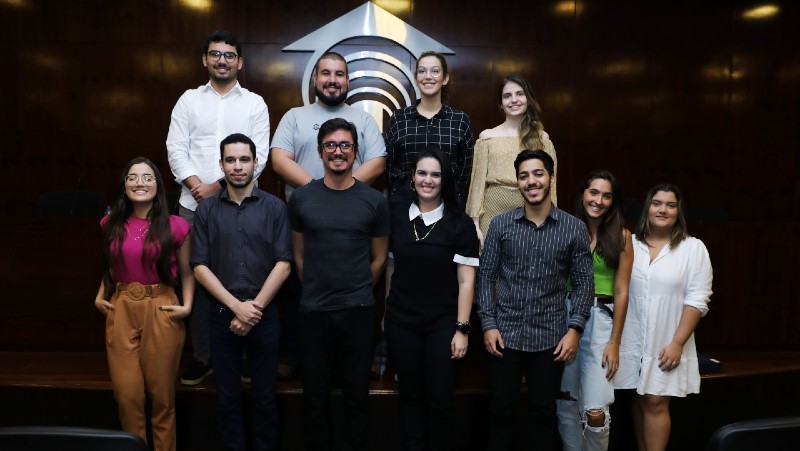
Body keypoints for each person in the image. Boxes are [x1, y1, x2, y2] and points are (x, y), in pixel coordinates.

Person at [271, 51, 386, 378]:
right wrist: (318, 193)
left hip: (353, 225)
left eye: (339, 74)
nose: (332, 80)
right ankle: (293, 356)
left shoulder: (363, 119)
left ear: (348, 81)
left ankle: (348, 363)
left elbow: (378, 161)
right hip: (304, 220)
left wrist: (343, 191)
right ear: (315, 79)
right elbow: (279, 160)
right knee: (298, 287)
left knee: (351, 296)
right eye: (326, 73)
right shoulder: (295, 116)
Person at [167, 29, 270, 386]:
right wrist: (197, 186)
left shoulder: (255, 103)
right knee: (195, 278)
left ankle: (240, 355)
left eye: (229, 55)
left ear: (240, 62)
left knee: (240, 275)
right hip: (192, 205)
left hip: (241, 203)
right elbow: (175, 148)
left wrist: (219, 186)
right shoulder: (188, 100)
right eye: (215, 54)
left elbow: (260, 157)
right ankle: (204, 356)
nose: (221, 60)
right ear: (205, 59)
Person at [475, 149, 594, 451]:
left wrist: (574, 330)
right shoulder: (501, 225)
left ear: (550, 178)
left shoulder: (573, 228)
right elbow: (486, 276)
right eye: (524, 176)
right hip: (505, 337)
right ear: (517, 183)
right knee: (500, 411)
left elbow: (583, 284)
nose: (531, 181)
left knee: (542, 414)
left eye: (538, 174)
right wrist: (488, 324)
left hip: (551, 340)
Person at [288, 118, 390, 451]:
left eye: (345, 145)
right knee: (314, 398)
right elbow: (299, 256)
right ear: (320, 152)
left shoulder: (374, 201)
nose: (338, 152)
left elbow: (378, 258)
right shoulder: (302, 199)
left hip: (358, 311)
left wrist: (357, 288)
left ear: (356, 152)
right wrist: (317, 288)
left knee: (357, 396)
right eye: (330, 145)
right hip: (314, 311)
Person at [191, 133, 292, 451]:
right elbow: (199, 267)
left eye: (244, 159)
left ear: (256, 163)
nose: (237, 166)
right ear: (220, 164)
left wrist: (253, 309)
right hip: (221, 317)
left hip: (265, 317)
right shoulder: (206, 211)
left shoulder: (275, 208)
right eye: (231, 160)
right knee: (227, 400)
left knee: (265, 400)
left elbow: (284, 264)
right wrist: (237, 307)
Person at [94, 157, 193, 451]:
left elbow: (188, 271)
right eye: (133, 177)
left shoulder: (176, 226)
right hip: (121, 306)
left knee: (162, 400)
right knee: (128, 398)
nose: (140, 182)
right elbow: (111, 266)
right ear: (124, 186)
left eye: (148, 177)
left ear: (158, 185)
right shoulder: (109, 223)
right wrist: (100, 295)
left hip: (161, 307)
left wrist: (187, 306)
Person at [384, 148, 479, 450]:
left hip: (443, 324)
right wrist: (387, 313)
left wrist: (462, 330)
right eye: (422, 173)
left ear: (444, 179)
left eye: (435, 174)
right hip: (402, 322)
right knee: (410, 396)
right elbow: (391, 266)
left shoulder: (460, 223)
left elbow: (466, 281)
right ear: (412, 178)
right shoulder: (396, 215)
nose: (428, 180)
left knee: (440, 397)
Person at [615, 184, 713, 451]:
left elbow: (698, 300)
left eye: (671, 205)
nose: (663, 209)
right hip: (632, 341)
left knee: (656, 401)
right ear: (647, 207)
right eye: (657, 203)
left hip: (667, 339)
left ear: (679, 212)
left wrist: (677, 343)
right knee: (640, 398)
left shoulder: (693, 248)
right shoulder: (630, 244)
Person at [556, 171, 634, 451]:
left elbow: (623, 291)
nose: (598, 200)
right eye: (593, 192)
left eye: (606, 195)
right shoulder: (565, 228)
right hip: (563, 315)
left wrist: (615, 341)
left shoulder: (622, 236)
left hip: (600, 318)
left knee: (596, 409)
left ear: (613, 201)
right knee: (565, 398)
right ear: (583, 194)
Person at [465, 73, 557, 246]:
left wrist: (551, 222)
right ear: (501, 104)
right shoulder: (487, 137)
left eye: (520, 94)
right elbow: (476, 186)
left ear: (528, 99)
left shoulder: (542, 139)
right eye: (507, 96)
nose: (514, 100)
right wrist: (475, 225)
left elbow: (551, 185)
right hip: (492, 214)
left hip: (533, 214)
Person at [385, 51, 475, 207]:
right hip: (403, 205)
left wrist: (452, 195)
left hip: (448, 207)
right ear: (416, 78)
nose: (428, 76)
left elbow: (466, 168)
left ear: (445, 78)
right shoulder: (399, 118)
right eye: (422, 71)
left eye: (435, 71)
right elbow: (391, 165)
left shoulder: (460, 120)